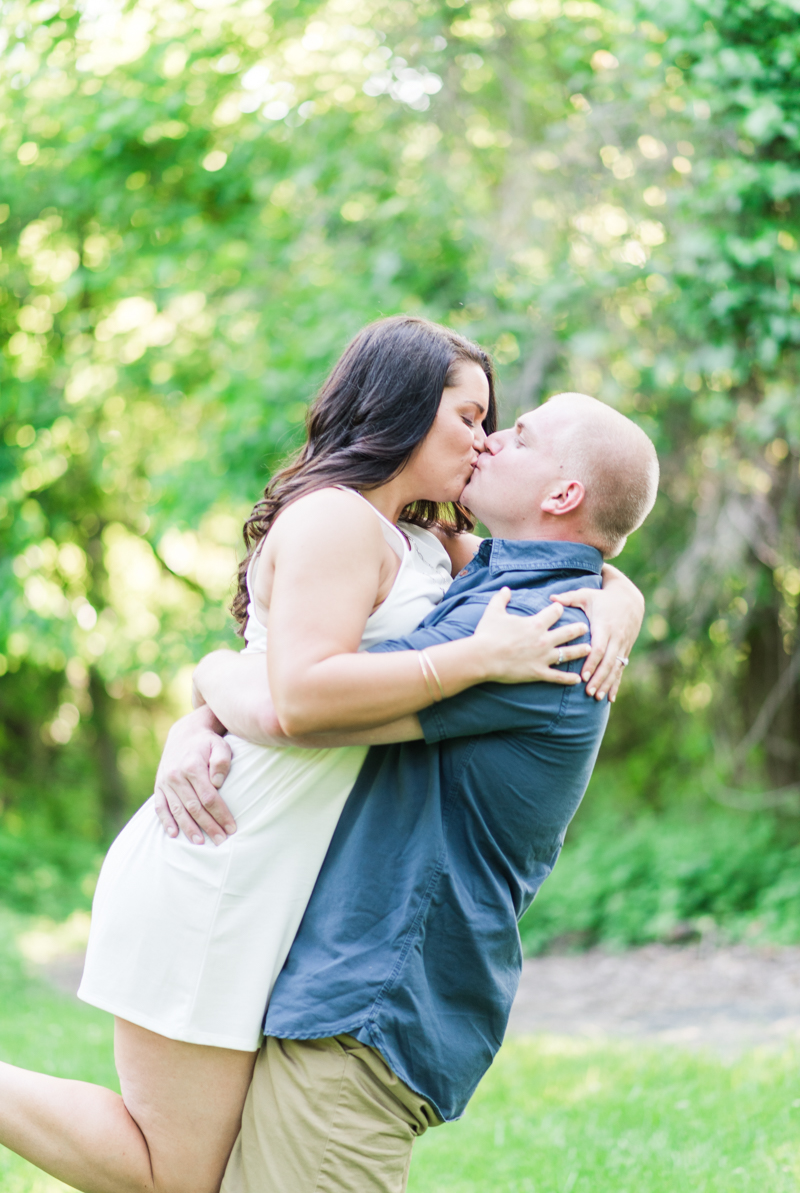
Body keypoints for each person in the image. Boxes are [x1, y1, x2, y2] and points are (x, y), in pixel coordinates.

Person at [0, 322, 640, 1193]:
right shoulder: (349, 524)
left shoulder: (438, 549)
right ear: (407, 411)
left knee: (193, 1174)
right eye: (472, 416)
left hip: (282, 883)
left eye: (503, 426)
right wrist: (206, 690)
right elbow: (293, 699)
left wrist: (620, 596)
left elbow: (572, 551)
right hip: (228, 850)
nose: (487, 438)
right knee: (175, 1174)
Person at [161, 391, 659, 1193]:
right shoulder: (505, 577)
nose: (491, 441)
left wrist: (205, 677)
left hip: (373, 997)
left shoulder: (540, 626)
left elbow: (308, 710)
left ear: (562, 494)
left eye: (518, 434)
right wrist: (623, 590)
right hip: (344, 984)